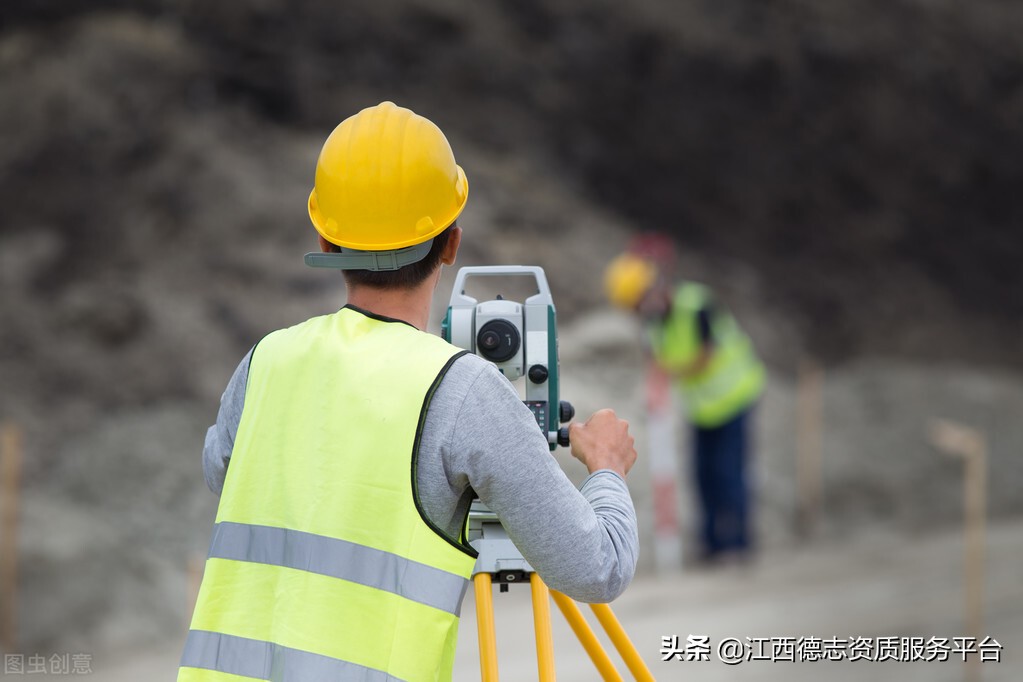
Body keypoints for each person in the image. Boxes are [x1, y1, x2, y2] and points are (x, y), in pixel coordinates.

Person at [178, 102, 639, 682]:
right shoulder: (465, 391)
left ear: (324, 240)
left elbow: (225, 472)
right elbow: (597, 568)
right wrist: (607, 470)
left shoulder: (265, 360)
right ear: (451, 244)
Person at [605, 245, 764, 565]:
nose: (638, 312)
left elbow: (707, 356)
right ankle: (712, 545)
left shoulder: (697, 304)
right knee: (702, 475)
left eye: (637, 304)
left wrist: (670, 372)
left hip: (734, 397)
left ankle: (739, 545)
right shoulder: (653, 324)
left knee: (728, 473)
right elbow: (655, 364)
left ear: (651, 290)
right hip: (702, 407)